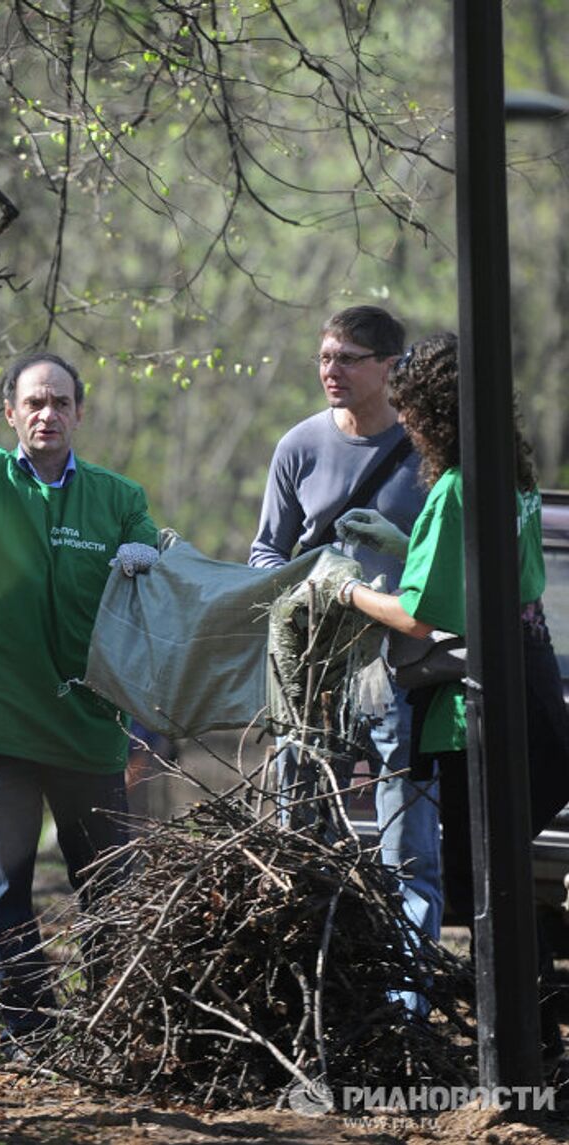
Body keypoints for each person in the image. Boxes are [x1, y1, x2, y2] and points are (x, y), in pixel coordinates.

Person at [0, 351, 159, 1054]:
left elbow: (152, 585)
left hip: (88, 730)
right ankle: (31, 1036)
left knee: (110, 892)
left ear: (80, 412)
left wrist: (149, 558)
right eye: (34, 403)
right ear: (10, 412)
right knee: (4, 892)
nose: (48, 414)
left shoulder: (118, 497)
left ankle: (114, 1026)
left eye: (61, 402)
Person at [335, 330, 569, 1061]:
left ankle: (516, 1050)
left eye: (412, 410)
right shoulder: (513, 478)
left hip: (478, 717)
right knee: (511, 890)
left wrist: (343, 589)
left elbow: (421, 615)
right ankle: (542, 1041)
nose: (405, 422)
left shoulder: (457, 486)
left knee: (487, 895)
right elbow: (486, 577)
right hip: (536, 703)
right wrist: (408, 547)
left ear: (438, 410)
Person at [249, 305, 443, 962]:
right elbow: (264, 554)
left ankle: (405, 1001)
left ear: (390, 367)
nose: (331, 370)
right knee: (295, 834)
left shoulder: (427, 453)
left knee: (407, 849)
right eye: (326, 356)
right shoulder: (298, 445)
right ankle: (300, 981)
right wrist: (307, 587)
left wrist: (403, 550)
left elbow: (447, 559)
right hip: (311, 672)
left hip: (398, 669)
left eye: (348, 358)